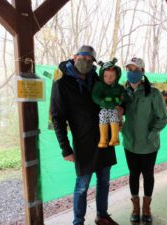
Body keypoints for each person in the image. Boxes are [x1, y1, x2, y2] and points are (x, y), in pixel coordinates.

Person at [51, 45, 119, 225]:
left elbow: (112, 97)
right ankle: (78, 221)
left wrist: (120, 108)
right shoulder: (61, 84)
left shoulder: (98, 79)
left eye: (90, 60)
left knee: (104, 181)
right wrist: (66, 149)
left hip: (105, 140)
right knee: (82, 187)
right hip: (83, 143)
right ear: (74, 57)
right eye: (83, 57)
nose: (86, 62)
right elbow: (57, 118)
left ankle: (102, 216)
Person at [121, 57, 167, 224]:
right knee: (133, 174)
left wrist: (151, 134)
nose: (131, 73)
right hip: (129, 143)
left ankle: (147, 208)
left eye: (135, 69)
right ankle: (135, 208)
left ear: (142, 72)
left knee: (148, 175)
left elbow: (163, 118)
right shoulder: (123, 92)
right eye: (129, 69)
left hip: (149, 145)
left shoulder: (153, 93)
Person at [92, 58, 124, 148]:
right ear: (102, 76)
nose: (108, 79)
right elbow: (95, 96)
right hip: (103, 108)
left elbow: (123, 96)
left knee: (114, 118)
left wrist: (120, 100)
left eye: (111, 76)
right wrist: (102, 102)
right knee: (102, 118)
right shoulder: (99, 86)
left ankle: (115, 138)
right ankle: (103, 139)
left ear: (116, 76)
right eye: (106, 76)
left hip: (114, 109)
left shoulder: (119, 87)